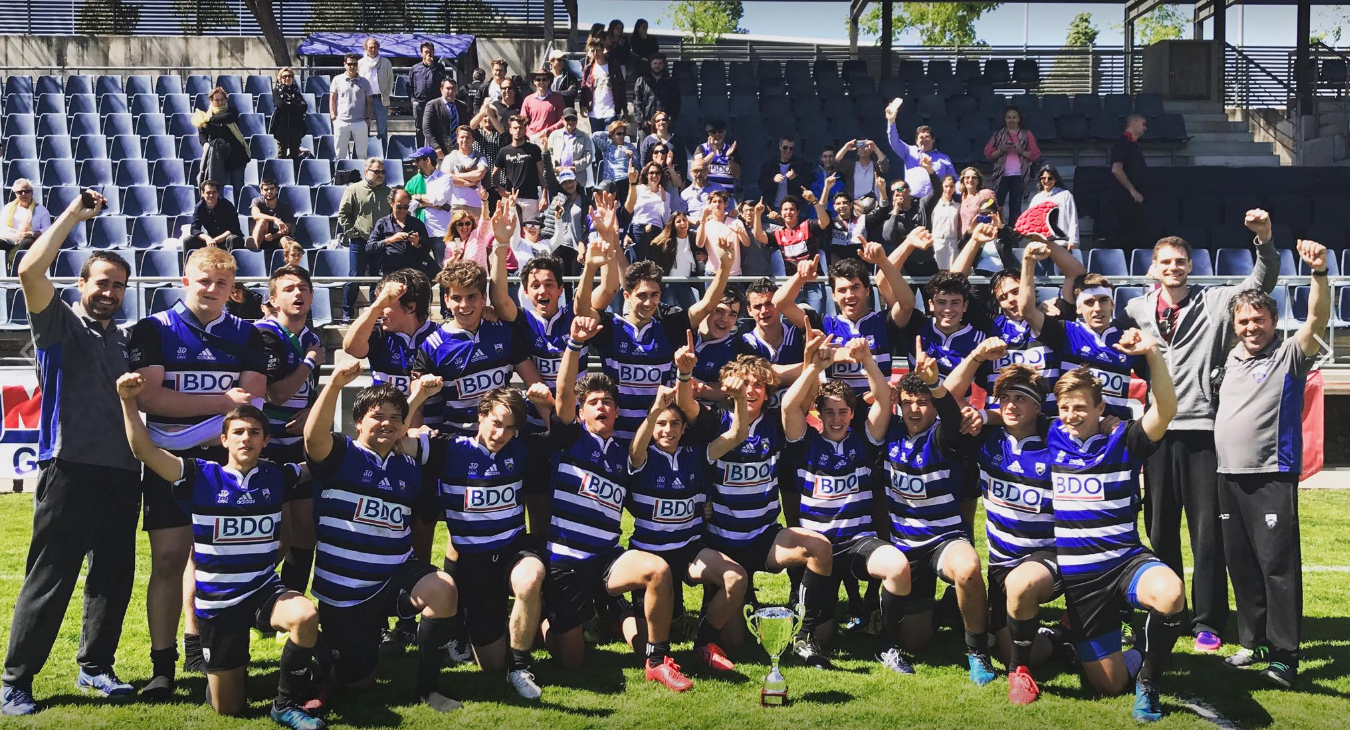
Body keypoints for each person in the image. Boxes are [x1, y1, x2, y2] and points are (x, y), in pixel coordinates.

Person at [1117, 209, 1280, 653]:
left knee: (1208, 532)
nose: (1173, 268)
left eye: (1181, 262)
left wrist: (1263, 240)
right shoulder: (1135, 309)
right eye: (1165, 261)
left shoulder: (1215, 303)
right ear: (1152, 267)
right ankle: (1168, 610)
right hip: (1156, 432)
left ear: (1192, 267)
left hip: (1203, 431)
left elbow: (1261, 283)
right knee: (1160, 530)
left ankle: (1208, 620)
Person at [119, 376, 323, 729]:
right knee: (227, 709)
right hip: (218, 602)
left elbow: (323, 460)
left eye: (255, 432)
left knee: (305, 615)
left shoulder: (276, 475)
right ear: (223, 439)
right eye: (240, 432)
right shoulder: (199, 475)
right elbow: (145, 452)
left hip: (262, 589)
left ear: (266, 440)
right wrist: (127, 401)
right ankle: (223, 675)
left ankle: (287, 701)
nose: (247, 438)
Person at [0, 193, 135, 717]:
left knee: (113, 577)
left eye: (118, 286)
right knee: (51, 576)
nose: (109, 292)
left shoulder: (123, 340)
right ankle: (16, 679)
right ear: (81, 285)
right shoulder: (56, 325)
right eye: (101, 282)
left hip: (124, 472)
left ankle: (96, 666)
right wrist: (74, 216)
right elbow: (29, 268)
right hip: (69, 466)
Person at [128, 246, 269, 700]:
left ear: (233, 289)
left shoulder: (247, 334)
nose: (211, 290)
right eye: (203, 281)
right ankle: (162, 666)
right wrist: (224, 403)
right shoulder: (153, 329)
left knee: (223, 561)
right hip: (171, 466)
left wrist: (206, 420)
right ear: (185, 281)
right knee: (169, 560)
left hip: (227, 465)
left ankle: (215, 651)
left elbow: (256, 400)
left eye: (221, 283)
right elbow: (151, 399)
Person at [302, 361, 462, 713]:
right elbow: (312, 436)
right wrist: (333, 386)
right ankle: (323, 651)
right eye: (377, 416)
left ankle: (427, 689)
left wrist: (416, 398)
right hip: (346, 590)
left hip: (394, 575)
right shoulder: (339, 453)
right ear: (358, 422)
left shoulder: (408, 464)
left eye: (394, 417)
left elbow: (403, 428)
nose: (386, 423)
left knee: (443, 588)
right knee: (356, 683)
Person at [1214, 239, 1328, 689]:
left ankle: (1284, 655)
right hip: (1228, 475)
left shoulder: (1290, 356)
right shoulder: (1231, 359)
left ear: (1274, 321)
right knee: (1240, 564)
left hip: (1270, 476)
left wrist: (1317, 273)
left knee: (1277, 568)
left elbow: (1317, 319)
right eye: (1243, 321)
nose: (1250, 327)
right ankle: (1254, 642)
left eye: (1258, 320)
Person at [1049, 349, 1184, 723]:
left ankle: (1150, 686)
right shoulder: (1050, 436)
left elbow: (1166, 410)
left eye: (1079, 407)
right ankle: (1082, 640)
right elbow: (1009, 416)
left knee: (1170, 593)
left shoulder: (1123, 439)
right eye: (1064, 408)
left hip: (1125, 560)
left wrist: (1154, 356)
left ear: (1100, 408)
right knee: (1108, 685)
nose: (1071, 416)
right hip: (1081, 580)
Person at [783, 324, 916, 674]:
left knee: (898, 567)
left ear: (852, 414)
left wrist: (867, 361)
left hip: (858, 542)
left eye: (843, 411)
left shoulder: (864, 441)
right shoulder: (805, 442)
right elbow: (787, 406)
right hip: (817, 549)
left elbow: (885, 398)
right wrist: (813, 366)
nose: (837, 418)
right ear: (819, 415)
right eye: (829, 412)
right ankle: (808, 634)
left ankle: (888, 644)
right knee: (824, 636)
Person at [487, 201, 621, 537]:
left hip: (577, 426)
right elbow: (499, 297)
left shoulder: (575, 316)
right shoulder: (521, 322)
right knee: (537, 500)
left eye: (550, 284)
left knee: (580, 502)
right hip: (536, 425)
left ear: (560, 289)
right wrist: (501, 244)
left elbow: (607, 290)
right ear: (528, 292)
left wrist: (607, 241)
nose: (543, 290)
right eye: (535, 285)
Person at [940, 350, 1066, 704]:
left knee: (1020, 592)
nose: (1011, 406)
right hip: (1002, 563)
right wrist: (978, 368)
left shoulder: (1057, 439)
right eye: (1006, 398)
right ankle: (1059, 639)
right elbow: (946, 403)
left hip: (1048, 558)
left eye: (1021, 399)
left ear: (1039, 405)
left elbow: (1083, 421)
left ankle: (1020, 675)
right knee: (1016, 647)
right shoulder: (986, 438)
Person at [872, 336, 997, 684]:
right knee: (917, 640)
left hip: (944, 540)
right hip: (905, 549)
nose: (914, 410)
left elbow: (951, 412)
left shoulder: (944, 436)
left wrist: (936, 385)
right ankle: (949, 610)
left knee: (969, 568)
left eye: (923, 403)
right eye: (908, 402)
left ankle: (977, 652)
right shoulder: (889, 432)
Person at [573, 202, 735, 440]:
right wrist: (590, 267)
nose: (649, 302)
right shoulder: (611, 327)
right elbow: (581, 310)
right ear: (627, 296)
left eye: (654, 295)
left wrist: (725, 267)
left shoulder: (668, 327)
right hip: (615, 435)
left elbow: (708, 304)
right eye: (642, 296)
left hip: (659, 438)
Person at [423, 386, 546, 699]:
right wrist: (416, 411)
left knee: (531, 578)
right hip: (473, 563)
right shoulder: (449, 448)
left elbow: (563, 433)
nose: (501, 433)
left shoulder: (522, 448)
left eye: (509, 428)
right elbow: (402, 442)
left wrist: (545, 404)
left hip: (512, 550)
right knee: (490, 667)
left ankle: (519, 666)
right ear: (480, 416)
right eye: (496, 423)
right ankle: (470, 630)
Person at [626, 371, 750, 672]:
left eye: (675, 424)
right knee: (644, 646)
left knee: (737, 578)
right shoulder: (642, 456)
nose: (668, 430)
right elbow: (636, 447)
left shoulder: (696, 454)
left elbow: (737, 435)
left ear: (683, 428)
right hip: (650, 554)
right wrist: (655, 410)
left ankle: (705, 644)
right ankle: (622, 615)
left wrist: (741, 400)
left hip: (689, 550)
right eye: (661, 424)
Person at [411, 255, 541, 433]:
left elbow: (534, 382)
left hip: (504, 436)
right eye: (457, 298)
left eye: (472, 297)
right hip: (458, 442)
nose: (464, 305)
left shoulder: (504, 332)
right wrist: (414, 434)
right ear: (446, 300)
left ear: (484, 298)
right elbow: (416, 405)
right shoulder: (431, 346)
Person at [1018, 244, 1144, 419]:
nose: (1098, 308)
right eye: (1089, 302)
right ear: (1078, 308)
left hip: (1113, 432)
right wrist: (1028, 262)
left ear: (1113, 304)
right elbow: (1028, 311)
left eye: (1103, 300)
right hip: (1072, 427)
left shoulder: (1127, 339)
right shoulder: (1066, 332)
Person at [752, 191, 829, 310]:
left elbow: (825, 222)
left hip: (814, 284)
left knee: (816, 321)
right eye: (785, 210)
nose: (788, 212)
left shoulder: (808, 225)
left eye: (792, 209)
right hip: (793, 285)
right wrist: (757, 214)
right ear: (781, 213)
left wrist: (814, 201)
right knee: (791, 323)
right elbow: (759, 236)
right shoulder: (778, 234)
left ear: (798, 212)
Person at [337, 157, 391, 321]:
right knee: (354, 278)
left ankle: (375, 314)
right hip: (360, 241)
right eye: (377, 172)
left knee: (377, 279)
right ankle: (347, 313)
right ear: (366, 172)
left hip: (380, 243)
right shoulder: (354, 189)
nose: (380, 175)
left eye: (383, 172)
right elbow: (343, 215)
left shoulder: (388, 192)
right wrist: (354, 234)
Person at [885, 98, 955, 199]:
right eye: (921, 137)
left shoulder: (944, 158)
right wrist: (891, 121)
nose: (924, 140)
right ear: (916, 141)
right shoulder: (909, 151)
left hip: (936, 202)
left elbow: (954, 180)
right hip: (912, 201)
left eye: (927, 137)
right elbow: (894, 140)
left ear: (933, 139)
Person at [984, 106, 1040, 221]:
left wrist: (1021, 151)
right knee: (997, 206)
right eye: (1008, 117)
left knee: (1015, 207)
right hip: (1001, 176)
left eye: (1014, 117)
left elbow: (1034, 154)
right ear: (1004, 119)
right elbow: (989, 154)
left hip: (1019, 176)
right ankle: (998, 231)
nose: (1011, 120)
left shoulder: (1026, 134)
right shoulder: (998, 135)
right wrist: (1002, 149)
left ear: (1019, 119)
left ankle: (1014, 235)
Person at [369, 188, 435, 280]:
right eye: (399, 207)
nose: (403, 210)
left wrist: (416, 244)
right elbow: (370, 247)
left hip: (413, 273)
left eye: (406, 207)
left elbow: (427, 249)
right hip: (391, 273)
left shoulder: (417, 224)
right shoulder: (382, 223)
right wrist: (390, 240)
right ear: (391, 204)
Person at [195, 86, 249, 192]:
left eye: (222, 99)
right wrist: (205, 143)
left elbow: (226, 117)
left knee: (238, 187)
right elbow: (202, 134)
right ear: (211, 100)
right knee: (216, 188)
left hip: (236, 156)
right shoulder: (205, 117)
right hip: (217, 157)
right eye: (217, 100)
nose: (220, 102)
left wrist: (208, 119)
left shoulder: (232, 111)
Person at [1106, 114, 1148, 250]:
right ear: (1134, 122)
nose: (1145, 128)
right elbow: (1116, 169)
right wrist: (1132, 189)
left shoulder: (1134, 144)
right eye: (1143, 124)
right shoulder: (1123, 141)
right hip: (1124, 199)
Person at [624, 161, 681, 262]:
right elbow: (630, 211)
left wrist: (664, 201)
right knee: (637, 264)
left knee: (653, 265)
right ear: (646, 174)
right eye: (651, 173)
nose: (655, 175)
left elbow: (666, 219)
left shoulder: (666, 194)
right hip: (638, 229)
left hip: (656, 232)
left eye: (658, 173)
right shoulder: (638, 189)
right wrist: (627, 233)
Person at [495, 115, 547, 222]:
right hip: (511, 198)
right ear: (510, 130)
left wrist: (544, 197)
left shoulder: (534, 149)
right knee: (510, 232)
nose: (517, 130)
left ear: (525, 129)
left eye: (520, 128)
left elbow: (541, 174)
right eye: (515, 128)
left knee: (531, 232)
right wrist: (499, 187)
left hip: (531, 198)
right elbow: (494, 174)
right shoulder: (504, 151)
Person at [649, 211, 701, 307]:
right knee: (668, 311)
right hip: (669, 284)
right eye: (678, 221)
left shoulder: (693, 238)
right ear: (673, 225)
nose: (682, 223)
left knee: (691, 312)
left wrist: (703, 256)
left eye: (684, 220)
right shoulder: (666, 242)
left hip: (686, 283)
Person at [541, 169, 591, 265]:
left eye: (571, 181)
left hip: (577, 247)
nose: (568, 184)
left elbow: (589, 226)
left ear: (576, 181)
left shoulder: (586, 201)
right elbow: (549, 175)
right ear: (561, 185)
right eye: (564, 182)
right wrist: (545, 153)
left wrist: (583, 243)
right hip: (558, 246)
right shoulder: (557, 198)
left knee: (576, 279)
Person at [330, 52, 373, 160]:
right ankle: (340, 175)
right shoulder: (337, 79)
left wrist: (367, 118)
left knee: (362, 154)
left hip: (360, 122)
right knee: (340, 154)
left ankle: (362, 176)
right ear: (345, 64)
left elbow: (369, 101)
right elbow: (332, 99)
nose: (352, 67)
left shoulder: (365, 82)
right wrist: (333, 117)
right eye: (349, 64)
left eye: (354, 64)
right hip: (341, 122)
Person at [441, 127, 489, 220]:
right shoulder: (449, 157)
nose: (465, 140)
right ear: (457, 139)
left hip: (475, 204)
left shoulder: (480, 157)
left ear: (473, 140)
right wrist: (469, 183)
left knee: (475, 234)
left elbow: (479, 174)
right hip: (455, 204)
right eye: (462, 137)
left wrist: (457, 175)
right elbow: (447, 178)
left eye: (468, 137)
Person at [1026, 165, 1079, 250]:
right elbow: (1030, 220)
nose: (1046, 181)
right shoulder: (1037, 198)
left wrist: (1073, 240)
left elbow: (1072, 218)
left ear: (1055, 179)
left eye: (1050, 178)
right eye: (1043, 178)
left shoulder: (1065, 195)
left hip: (1060, 244)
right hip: (1041, 244)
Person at [184, 179, 244, 253]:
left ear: (218, 193)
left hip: (226, 239)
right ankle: (187, 264)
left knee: (232, 239)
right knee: (188, 240)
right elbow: (194, 229)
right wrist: (208, 238)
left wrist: (214, 240)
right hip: (211, 240)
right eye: (208, 193)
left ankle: (233, 264)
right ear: (202, 193)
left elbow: (233, 229)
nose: (211, 195)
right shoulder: (199, 207)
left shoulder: (227, 205)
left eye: (214, 192)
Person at [580, 40, 626, 134]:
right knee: (597, 142)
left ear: (603, 50)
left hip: (611, 110)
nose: (596, 53)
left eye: (598, 50)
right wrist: (582, 105)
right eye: (593, 51)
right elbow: (584, 88)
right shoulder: (588, 68)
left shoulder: (613, 66)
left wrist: (624, 108)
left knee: (610, 141)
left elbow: (621, 87)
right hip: (594, 112)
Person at [0, 179, 50, 265]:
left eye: (27, 191)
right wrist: (17, 235)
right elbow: (2, 227)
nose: (24, 194)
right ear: (15, 194)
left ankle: (17, 267)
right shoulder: (8, 208)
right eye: (20, 192)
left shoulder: (41, 210)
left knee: (26, 243)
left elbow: (48, 230)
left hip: (31, 239)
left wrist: (31, 234)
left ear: (32, 193)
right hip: (11, 240)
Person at [410, 42, 448, 149]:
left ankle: (435, 152)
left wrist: (432, 67)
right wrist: (413, 100)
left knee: (435, 128)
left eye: (430, 52)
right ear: (421, 53)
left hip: (435, 103)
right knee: (420, 129)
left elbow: (442, 82)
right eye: (426, 52)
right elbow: (410, 86)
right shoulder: (415, 68)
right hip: (420, 103)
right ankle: (421, 153)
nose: (428, 54)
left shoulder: (439, 67)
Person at [249, 177, 296, 262]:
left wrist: (273, 236)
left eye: (272, 189)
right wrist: (274, 219)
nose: (269, 192)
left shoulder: (285, 207)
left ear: (276, 190)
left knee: (286, 240)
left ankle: (291, 265)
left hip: (278, 238)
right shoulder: (257, 201)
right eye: (266, 189)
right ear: (261, 191)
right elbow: (255, 215)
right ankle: (254, 249)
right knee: (262, 221)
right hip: (261, 237)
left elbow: (287, 229)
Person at [758, 137, 814, 208]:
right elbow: (762, 185)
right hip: (773, 207)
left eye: (791, 148)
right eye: (785, 147)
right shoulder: (769, 164)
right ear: (780, 147)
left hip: (793, 208)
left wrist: (795, 178)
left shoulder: (802, 165)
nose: (788, 151)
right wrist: (773, 180)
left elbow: (807, 185)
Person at [547, 109, 595, 192]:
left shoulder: (584, 136)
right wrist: (555, 167)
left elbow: (588, 156)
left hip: (577, 177)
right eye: (567, 119)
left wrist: (575, 167)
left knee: (578, 203)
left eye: (573, 119)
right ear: (562, 120)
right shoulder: (554, 135)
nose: (570, 121)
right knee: (558, 203)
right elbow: (548, 154)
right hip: (558, 177)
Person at [633, 53, 681, 133]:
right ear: (651, 64)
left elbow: (676, 102)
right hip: (647, 124)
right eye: (655, 63)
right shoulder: (642, 81)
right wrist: (642, 121)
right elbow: (637, 102)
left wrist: (670, 119)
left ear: (663, 65)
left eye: (660, 63)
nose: (657, 66)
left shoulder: (671, 81)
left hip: (664, 125)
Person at [358, 37, 393, 143]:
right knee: (364, 128)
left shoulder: (386, 62)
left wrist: (386, 93)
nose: (373, 49)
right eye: (370, 47)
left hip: (380, 100)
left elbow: (390, 80)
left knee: (382, 129)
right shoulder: (360, 63)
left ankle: (383, 153)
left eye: (375, 47)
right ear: (365, 48)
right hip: (364, 100)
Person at [424, 78, 470, 158]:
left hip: (458, 152)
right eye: (448, 88)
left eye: (453, 89)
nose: (451, 92)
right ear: (441, 90)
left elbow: (465, 126)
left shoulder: (462, 106)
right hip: (439, 152)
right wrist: (436, 146)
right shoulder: (432, 105)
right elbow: (426, 128)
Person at [693, 120, 740, 192]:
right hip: (707, 194)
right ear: (709, 134)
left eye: (720, 131)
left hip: (728, 194)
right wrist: (713, 153)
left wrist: (729, 157)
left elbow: (737, 174)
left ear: (724, 132)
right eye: (713, 132)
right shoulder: (701, 148)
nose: (717, 134)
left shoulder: (731, 149)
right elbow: (697, 168)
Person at [641, 111, 689, 182]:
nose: (661, 122)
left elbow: (683, 161)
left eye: (664, 120)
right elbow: (643, 162)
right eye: (658, 121)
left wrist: (683, 180)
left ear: (668, 123)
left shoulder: (676, 139)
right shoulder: (648, 140)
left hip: (673, 177)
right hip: (653, 177)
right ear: (655, 124)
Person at [270, 67, 307, 160]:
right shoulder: (276, 91)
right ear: (280, 78)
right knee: (281, 154)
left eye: (290, 76)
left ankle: (294, 172)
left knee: (295, 154)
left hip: (296, 127)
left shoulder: (296, 91)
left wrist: (289, 105)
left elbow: (304, 107)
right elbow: (280, 105)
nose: (287, 78)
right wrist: (294, 105)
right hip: (281, 127)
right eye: (284, 76)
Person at [522, 70, 565, 147]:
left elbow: (562, 120)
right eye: (538, 79)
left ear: (549, 81)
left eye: (544, 79)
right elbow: (523, 120)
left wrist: (548, 130)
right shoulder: (528, 99)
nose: (541, 82)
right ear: (534, 82)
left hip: (551, 138)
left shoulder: (557, 98)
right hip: (532, 139)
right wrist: (530, 135)